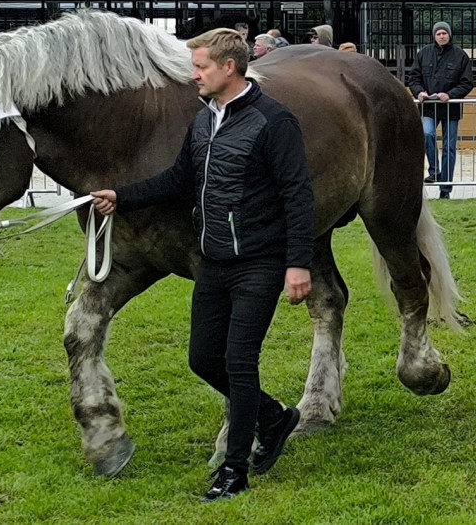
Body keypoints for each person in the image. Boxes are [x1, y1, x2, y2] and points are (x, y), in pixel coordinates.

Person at [90, 28, 315, 501]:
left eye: (200, 67)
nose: (193, 76)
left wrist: (297, 264)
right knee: (202, 359)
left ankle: (234, 471)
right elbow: (178, 179)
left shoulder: (275, 122)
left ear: (228, 68)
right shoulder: (202, 121)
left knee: (239, 362)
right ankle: (274, 419)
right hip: (213, 260)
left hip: (259, 262)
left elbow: (298, 196)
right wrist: (121, 197)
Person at [406, 21, 474, 200]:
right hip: (428, 106)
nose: (442, 36)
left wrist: (450, 94)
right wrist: (419, 92)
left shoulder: (460, 56)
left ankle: (446, 188)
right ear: (434, 36)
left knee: (449, 148)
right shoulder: (424, 54)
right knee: (427, 134)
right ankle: (434, 171)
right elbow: (413, 77)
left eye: (444, 33)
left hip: (450, 108)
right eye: (438, 33)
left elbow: (467, 82)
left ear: (449, 35)